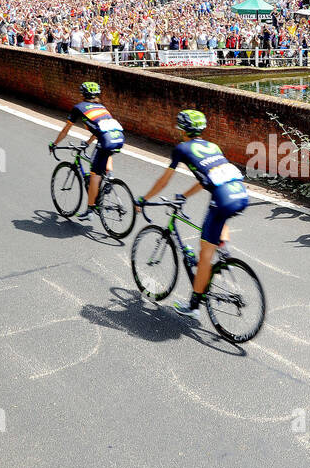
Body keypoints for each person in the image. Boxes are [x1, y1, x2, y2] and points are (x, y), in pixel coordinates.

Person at [138, 110, 249, 319]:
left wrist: (144, 198)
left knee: (204, 254)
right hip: (240, 194)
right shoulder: (212, 147)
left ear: (183, 129)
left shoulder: (182, 148)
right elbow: (208, 177)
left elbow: (164, 180)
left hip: (223, 199)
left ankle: (194, 306)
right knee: (219, 221)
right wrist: (185, 195)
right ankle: (224, 250)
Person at [49, 82, 124, 215]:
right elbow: (101, 130)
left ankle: (90, 209)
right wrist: (88, 142)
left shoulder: (79, 108)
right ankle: (109, 177)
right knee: (107, 152)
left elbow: (65, 130)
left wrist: (54, 144)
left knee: (94, 174)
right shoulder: (102, 107)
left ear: (83, 94)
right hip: (119, 137)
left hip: (105, 140)